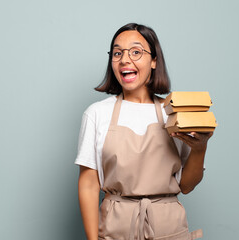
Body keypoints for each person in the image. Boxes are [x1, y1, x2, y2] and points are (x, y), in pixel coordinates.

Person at [75, 23, 213, 240]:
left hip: (169, 229)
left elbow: (187, 185)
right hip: (115, 228)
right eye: (118, 53)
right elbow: (89, 184)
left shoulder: (173, 113)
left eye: (136, 52)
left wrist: (200, 148)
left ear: (154, 60)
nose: (125, 59)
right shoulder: (96, 114)